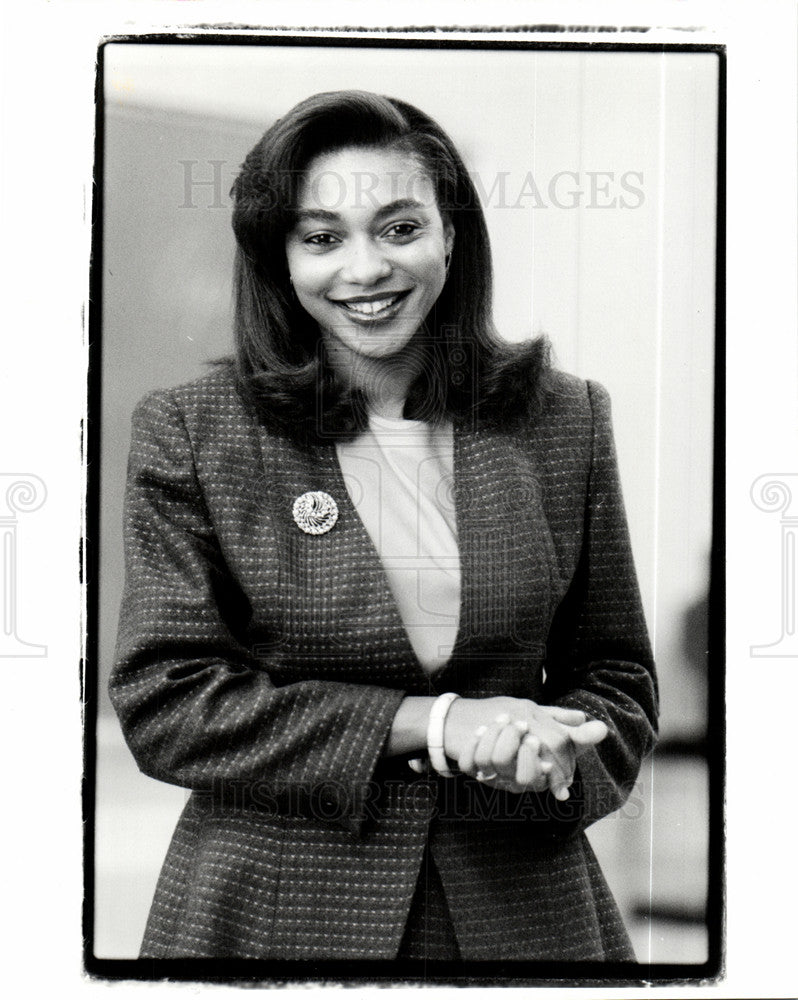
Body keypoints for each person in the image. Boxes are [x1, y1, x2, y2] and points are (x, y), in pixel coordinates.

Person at [110, 89, 658, 962]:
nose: (365, 269)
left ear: (452, 236)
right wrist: (439, 724)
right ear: (279, 260)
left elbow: (617, 679)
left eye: (400, 229)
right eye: (322, 238)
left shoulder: (564, 420)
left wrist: (552, 753)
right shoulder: (196, 429)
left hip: (522, 912)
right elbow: (166, 701)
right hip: (271, 916)